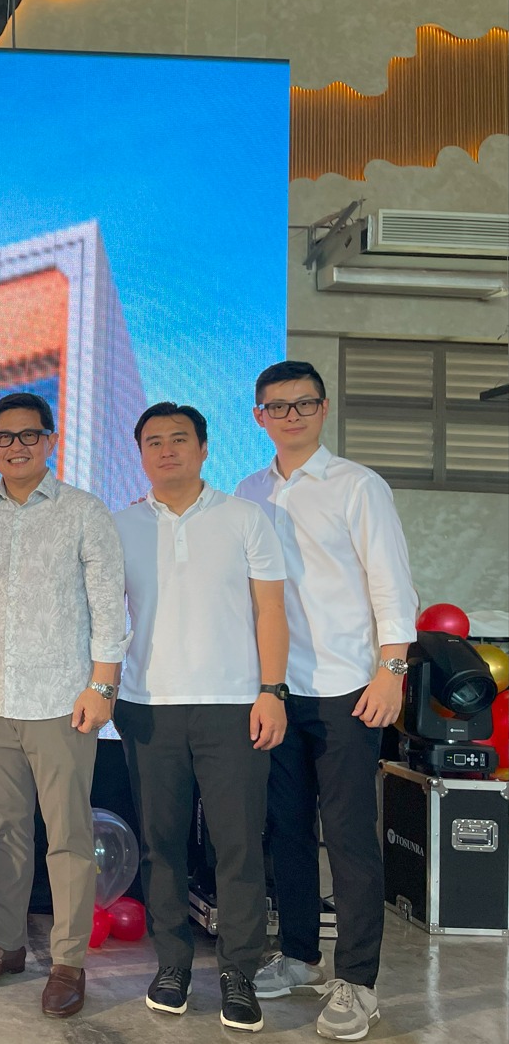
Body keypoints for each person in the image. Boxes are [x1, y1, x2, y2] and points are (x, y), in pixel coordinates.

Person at [237, 361, 417, 1042]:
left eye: (303, 403)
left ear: (323, 408)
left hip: (348, 688)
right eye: (277, 406)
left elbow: (391, 583)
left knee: (346, 836)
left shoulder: (357, 486)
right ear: (258, 416)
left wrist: (390, 672)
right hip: (277, 689)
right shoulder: (248, 491)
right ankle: (300, 955)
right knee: (284, 830)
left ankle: (358, 981)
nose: (291, 415)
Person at [112, 401, 289, 1034]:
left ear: (204, 448)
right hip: (148, 705)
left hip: (234, 705)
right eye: (154, 441)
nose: (167, 450)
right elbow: (102, 617)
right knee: (161, 846)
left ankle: (239, 973)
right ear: (141, 454)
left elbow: (271, 610)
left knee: (237, 846)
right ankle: (173, 965)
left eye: (179, 439)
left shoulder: (245, 518)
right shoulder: (119, 526)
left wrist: (272, 689)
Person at [0, 392, 127, 1019]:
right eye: (5, 437)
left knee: (69, 836)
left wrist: (102, 686)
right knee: (5, 833)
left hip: (63, 702)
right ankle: (7, 945)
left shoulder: (83, 510)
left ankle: (68, 961)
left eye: (30, 435)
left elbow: (108, 605)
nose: (17, 446)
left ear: (50, 440)